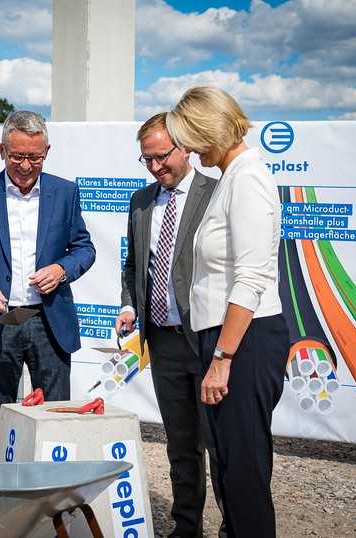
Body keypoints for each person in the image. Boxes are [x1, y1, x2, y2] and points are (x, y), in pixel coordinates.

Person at [166, 86, 289, 538]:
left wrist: (222, 359)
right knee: (227, 464)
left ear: (209, 130)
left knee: (242, 471)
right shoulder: (232, 176)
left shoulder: (248, 178)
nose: (190, 151)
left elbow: (252, 277)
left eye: (191, 139)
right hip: (226, 339)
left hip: (244, 341)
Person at [0, 110, 95, 461]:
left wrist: (61, 269)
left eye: (35, 157)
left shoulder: (65, 192)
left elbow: (84, 248)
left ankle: (53, 507)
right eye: (18, 157)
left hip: (48, 320)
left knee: (56, 424)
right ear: (1, 150)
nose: (26, 166)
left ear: (47, 151)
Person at [115, 112, 225, 538]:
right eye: (147, 160)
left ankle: (233, 525)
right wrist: (129, 306)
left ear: (185, 148)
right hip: (162, 343)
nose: (157, 167)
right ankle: (186, 528)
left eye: (163, 157)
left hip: (207, 340)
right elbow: (132, 265)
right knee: (181, 444)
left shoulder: (217, 194)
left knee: (221, 444)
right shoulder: (141, 202)